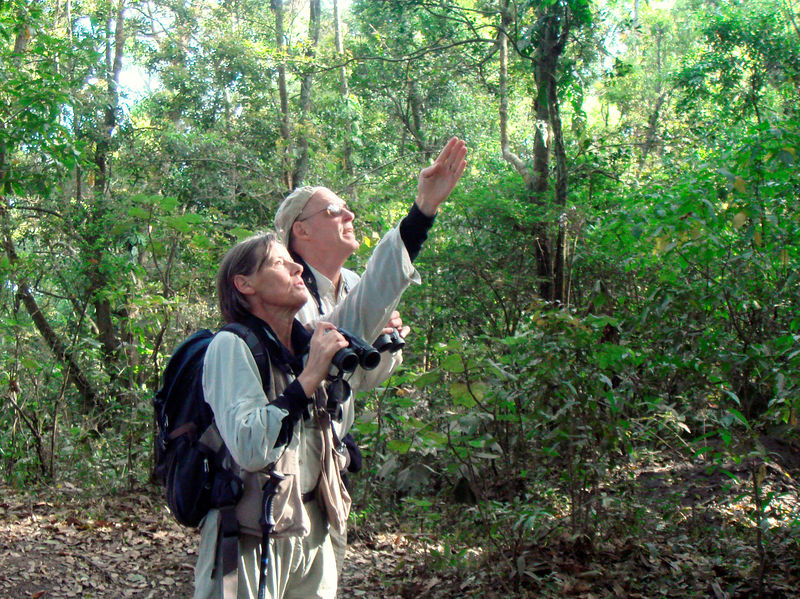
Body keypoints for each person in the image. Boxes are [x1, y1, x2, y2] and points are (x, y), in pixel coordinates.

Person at [272, 137, 468, 571]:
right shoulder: (282, 290)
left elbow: (357, 378)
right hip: (281, 472)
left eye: (345, 208)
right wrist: (420, 215)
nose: (349, 215)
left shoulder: (354, 283)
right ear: (300, 230)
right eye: (333, 211)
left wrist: (384, 349)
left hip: (330, 472)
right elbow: (327, 345)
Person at [194, 233, 352, 599]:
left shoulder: (305, 346)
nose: (297, 266)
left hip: (312, 528)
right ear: (244, 284)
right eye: (280, 262)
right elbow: (251, 449)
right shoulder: (231, 346)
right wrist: (309, 377)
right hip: (250, 533)